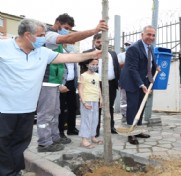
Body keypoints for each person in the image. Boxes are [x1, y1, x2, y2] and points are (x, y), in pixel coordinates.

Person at [0, 18, 104, 176]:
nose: (44, 37)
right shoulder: (3, 47)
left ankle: (14, 171)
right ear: (28, 35)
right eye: (41, 35)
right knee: (3, 144)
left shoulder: (42, 52)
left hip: (27, 109)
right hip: (4, 109)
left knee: (20, 143)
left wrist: (93, 54)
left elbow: (69, 58)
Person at [36, 13, 107, 153]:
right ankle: (44, 143)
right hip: (46, 81)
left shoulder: (58, 43)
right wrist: (94, 30)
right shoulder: (49, 35)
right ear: (57, 23)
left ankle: (54, 138)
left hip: (54, 82)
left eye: (69, 28)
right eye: (66, 27)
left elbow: (67, 57)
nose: (67, 31)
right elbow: (68, 38)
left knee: (55, 112)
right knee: (46, 114)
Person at [119, 25, 160, 145]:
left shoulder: (150, 47)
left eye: (153, 35)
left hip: (144, 81)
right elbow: (132, 69)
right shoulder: (134, 48)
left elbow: (151, 61)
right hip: (132, 82)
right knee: (133, 107)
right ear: (142, 35)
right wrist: (141, 84)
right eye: (148, 34)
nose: (151, 37)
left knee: (141, 106)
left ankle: (138, 130)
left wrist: (156, 66)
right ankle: (131, 134)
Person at [83, 33, 121, 136]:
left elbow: (117, 68)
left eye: (103, 41)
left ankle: (110, 127)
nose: (100, 44)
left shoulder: (113, 54)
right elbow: (83, 68)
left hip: (112, 84)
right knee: (97, 107)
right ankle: (95, 129)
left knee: (110, 106)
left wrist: (119, 81)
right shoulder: (88, 53)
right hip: (96, 85)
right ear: (94, 42)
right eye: (98, 42)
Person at [78, 58, 103, 149]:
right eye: (93, 64)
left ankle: (93, 137)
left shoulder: (97, 75)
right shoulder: (83, 75)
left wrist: (101, 98)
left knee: (94, 119)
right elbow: (80, 89)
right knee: (86, 120)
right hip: (87, 100)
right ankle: (84, 140)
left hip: (95, 100)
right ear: (87, 65)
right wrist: (84, 102)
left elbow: (98, 87)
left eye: (96, 65)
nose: (95, 66)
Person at [58, 44, 79, 140]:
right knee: (61, 108)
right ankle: (60, 131)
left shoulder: (72, 49)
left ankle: (71, 128)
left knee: (73, 106)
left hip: (71, 83)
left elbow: (74, 67)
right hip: (62, 83)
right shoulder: (58, 49)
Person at [117, 41, 133, 123]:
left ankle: (131, 114)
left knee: (132, 98)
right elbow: (118, 65)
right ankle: (124, 114)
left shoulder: (135, 55)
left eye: (129, 45)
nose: (127, 46)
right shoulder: (121, 55)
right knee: (123, 98)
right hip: (123, 79)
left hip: (133, 80)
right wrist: (127, 62)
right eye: (126, 45)